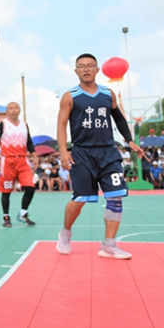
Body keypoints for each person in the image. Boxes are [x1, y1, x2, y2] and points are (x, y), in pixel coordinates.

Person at [55, 53, 146, 259]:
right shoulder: (70, 96)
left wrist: (129, 139)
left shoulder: (108, 94)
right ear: (76, 71)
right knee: (79, 200)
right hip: (82, 153)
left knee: (115, 197)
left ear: (97, 70)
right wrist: (63, 152)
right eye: (81, 66)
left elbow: (119, 118)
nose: (86, 69)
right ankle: (65, 233)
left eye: (90, 66)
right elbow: (61, 126)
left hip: (108, 153)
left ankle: (109, 244)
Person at [0, 102, 38, 227]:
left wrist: (34, 155)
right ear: (7, 111)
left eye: (16, 108)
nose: (14, 110)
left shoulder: (24, 125)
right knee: (6, 191)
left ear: (19, 110)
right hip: (7, 161)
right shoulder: (3, 124)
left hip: (22, 160)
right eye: (11, 108)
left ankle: (23, 213)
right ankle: (6, 217)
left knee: (30, 187)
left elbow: (29, 142)